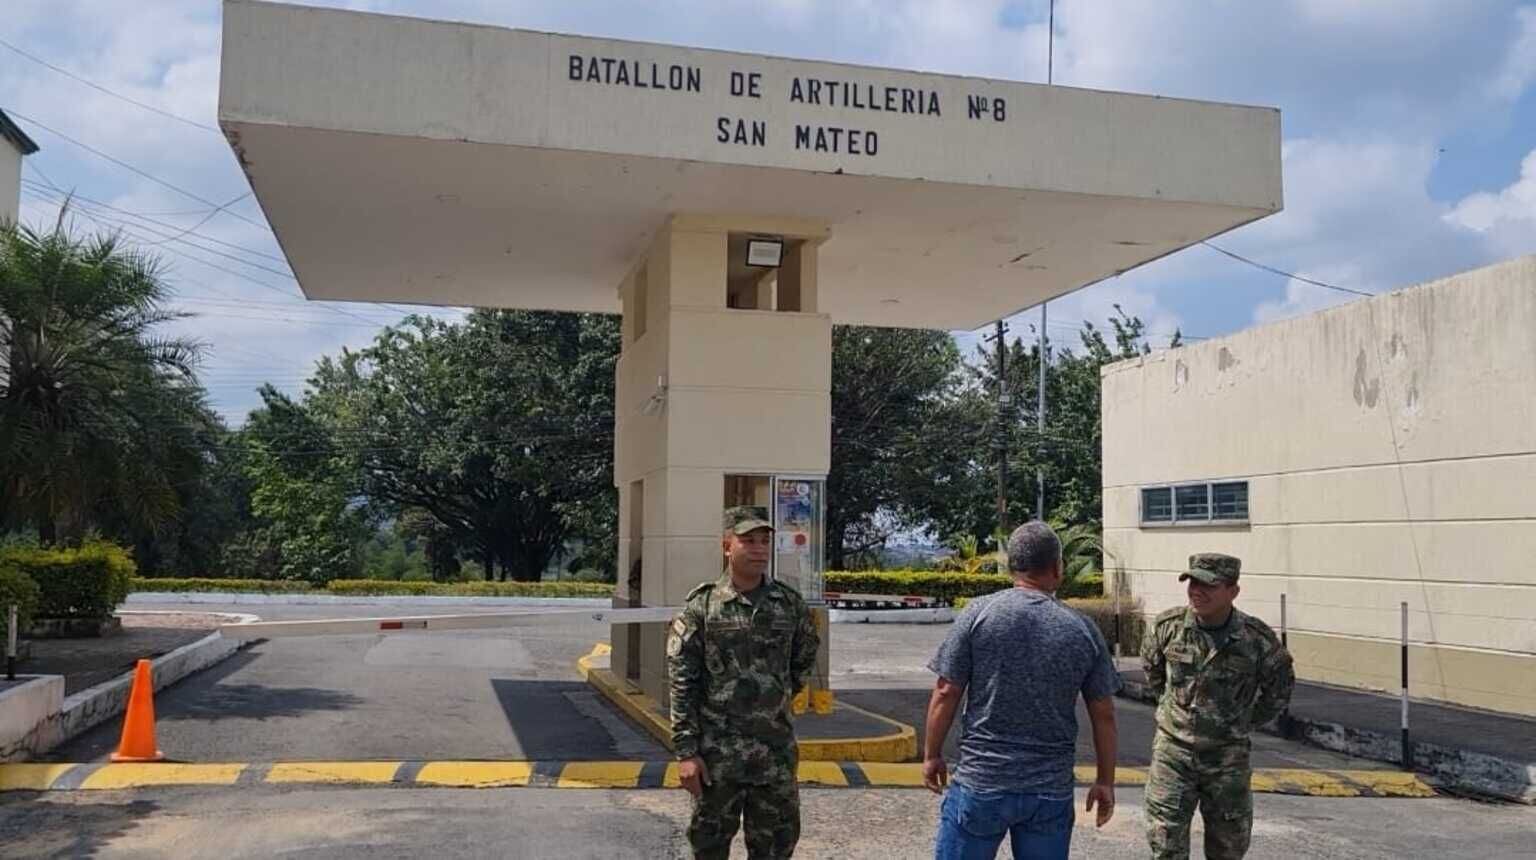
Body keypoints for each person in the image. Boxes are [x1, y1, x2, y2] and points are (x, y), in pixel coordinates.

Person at [924, 521, 1122, 859]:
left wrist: (931, 754)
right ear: (1058, 568)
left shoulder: (978, 613)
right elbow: (1103, 713)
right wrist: (1105, 781)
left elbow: (946, 691)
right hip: (1049, 791)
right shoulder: (1082, 629)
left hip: (982, 781)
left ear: (1012, 565)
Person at [666, 505, 820, 859]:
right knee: (708, 849)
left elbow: (800, 666)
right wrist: (687, 752)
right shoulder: (701, 607)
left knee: (776, 850)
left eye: (764, 541)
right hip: (718, 760)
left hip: (774, 757)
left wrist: (770, 702)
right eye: (748, 540)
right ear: (726, 546)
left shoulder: (789, 604)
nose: (759, 549)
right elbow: (682, 682)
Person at [1141, 553, 1295, 859]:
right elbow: (1154, 675)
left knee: (1229, 848)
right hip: (1174, 755)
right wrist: (1176, 713)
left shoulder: (1256, 640)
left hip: (1227, 760)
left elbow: (1279, 690)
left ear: (1233, 591)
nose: (1197, 591)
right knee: (1165, 846)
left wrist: (1240, 722)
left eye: (1208, 585)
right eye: (1192, 583)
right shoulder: (1166, 628)